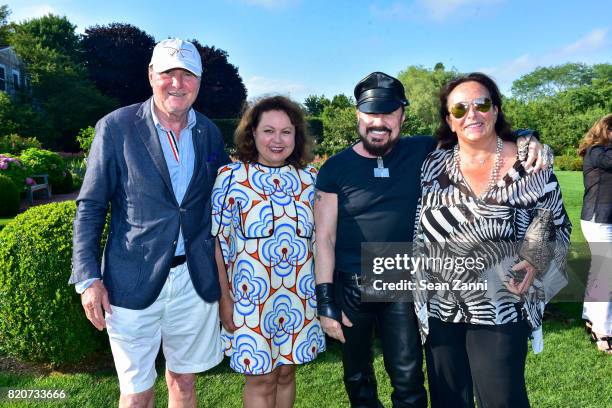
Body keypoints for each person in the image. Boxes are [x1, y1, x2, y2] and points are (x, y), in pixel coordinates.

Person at [70, 38, 230, 407]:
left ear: (199, 82)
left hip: (193, 280)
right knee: (136, 394)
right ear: (151, 75)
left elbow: (223, 203)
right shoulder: (116, 127)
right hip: (130, 280)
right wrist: (88, 278)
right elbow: (91, 206)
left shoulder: (209, 133)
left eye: (187, 74)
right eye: (168, 73)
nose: (178, 83)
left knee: (184, 383)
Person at [413, 72, 572, 408]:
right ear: (449, 121)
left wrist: (534, 260)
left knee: (503, 399)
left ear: (496, 110)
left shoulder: (530, 163)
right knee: (447, 400)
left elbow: (554, 220)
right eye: (460, 109)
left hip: (500, 308)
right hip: (441, 306)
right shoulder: (433, 164)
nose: (472, 114)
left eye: (481, 104)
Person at [212, 96, 326, 408]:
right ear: (252, 134)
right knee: (260, 378)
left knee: (286, 374)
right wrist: (225, 299)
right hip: (250, 299)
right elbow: (218, 244)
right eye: (268, 131)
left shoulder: (311, 179)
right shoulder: (231, 178)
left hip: (299, 298)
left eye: (286, 132)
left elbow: (323, 239)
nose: (277, 140)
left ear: (296, 136)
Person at [578, 113, 612, 355]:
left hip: (603, 219)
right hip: (598, 220)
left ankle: (592, 318)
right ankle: (603, 331)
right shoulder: (598, 152)